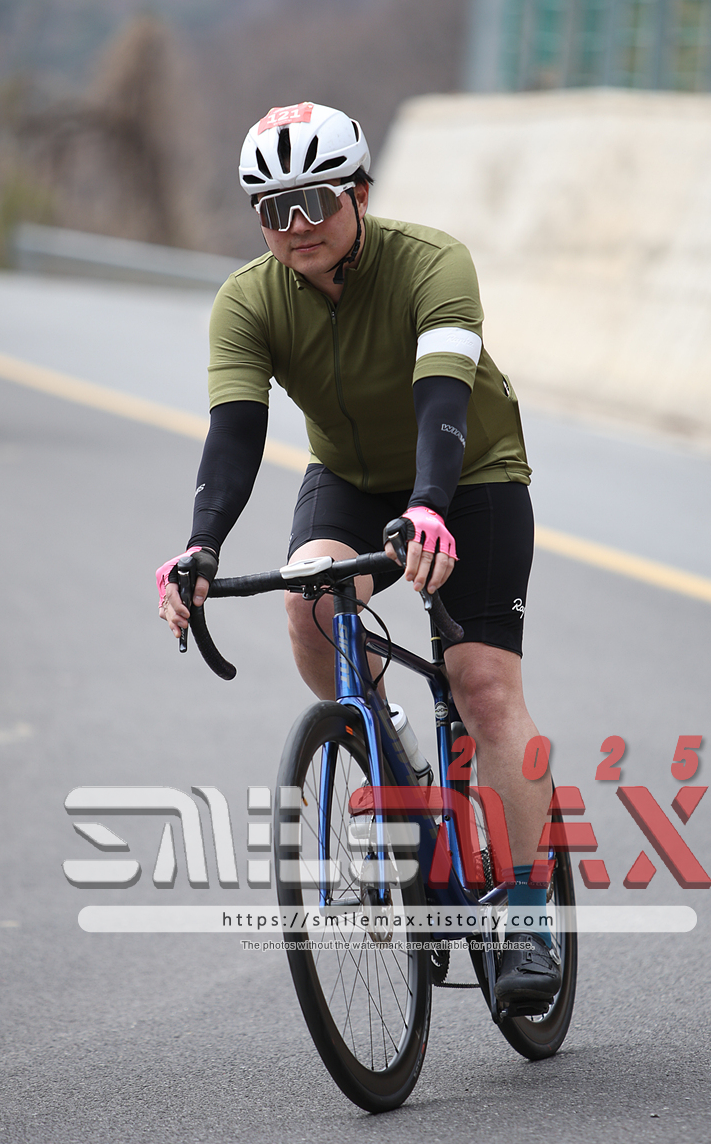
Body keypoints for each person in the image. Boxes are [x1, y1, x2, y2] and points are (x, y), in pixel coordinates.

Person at [158, 101, 559, 1010]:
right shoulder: (247, 300)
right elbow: (235, 433)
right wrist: (201, 546)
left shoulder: (434, 263)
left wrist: (429, 508)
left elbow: (443, 400)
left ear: (361, 195)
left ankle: (527, 914)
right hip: (349, 477)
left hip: (470, 475)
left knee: (483, 686)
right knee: (309, 598)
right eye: (273, 208)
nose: (295, 225)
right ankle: (392, 756)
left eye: (315, 201)